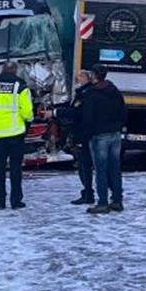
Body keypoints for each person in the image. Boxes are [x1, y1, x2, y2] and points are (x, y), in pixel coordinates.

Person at [0, 61, 34, 209]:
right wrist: (28, 120)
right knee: (15, 169)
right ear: (15, 71)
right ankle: (15, 200)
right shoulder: (20, 87)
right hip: (15, 134)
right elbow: (27, 112)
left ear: (2, 70)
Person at [82, 64, 127, 214]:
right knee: (115, 168)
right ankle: (117, 200)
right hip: (115, 134)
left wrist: (87, 133)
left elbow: (87, 117)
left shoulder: (91, 93)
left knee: (101, 169)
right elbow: (123, 112)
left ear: (94, 75)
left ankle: (102, 202)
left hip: (99, 135)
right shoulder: (114, 91)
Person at [59, 70, 95, 205]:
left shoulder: (85, 94)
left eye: (80, 77)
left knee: (84, 164)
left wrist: (57, 113)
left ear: (86, 78)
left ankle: (88, 193)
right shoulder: (84, 92)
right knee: (84, 164)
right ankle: (88, 192)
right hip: (83, 132)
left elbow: (76, 112)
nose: (77, 79)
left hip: (83, 133)